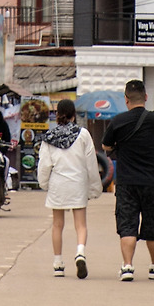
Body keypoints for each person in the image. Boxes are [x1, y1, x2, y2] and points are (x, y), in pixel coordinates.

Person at [102, 80, 154, 280]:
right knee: (153, 224)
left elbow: (106, 146)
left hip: (127, 183)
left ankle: (127, 266)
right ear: (146, 97)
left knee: (127, 224)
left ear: (126, 99)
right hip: (151, 182)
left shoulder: (118, 121)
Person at [37, 98, 102, 279]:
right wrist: (95, 188)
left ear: (57, 114)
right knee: (80, 225)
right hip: (78, 183)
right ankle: (80, 252)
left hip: (58, 183)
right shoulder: (83, 135)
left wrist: (44, 183)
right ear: (74, 115)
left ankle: (58, 263)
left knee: (57, 225)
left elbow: (44, 165)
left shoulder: (49, 137)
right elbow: (91, 163)